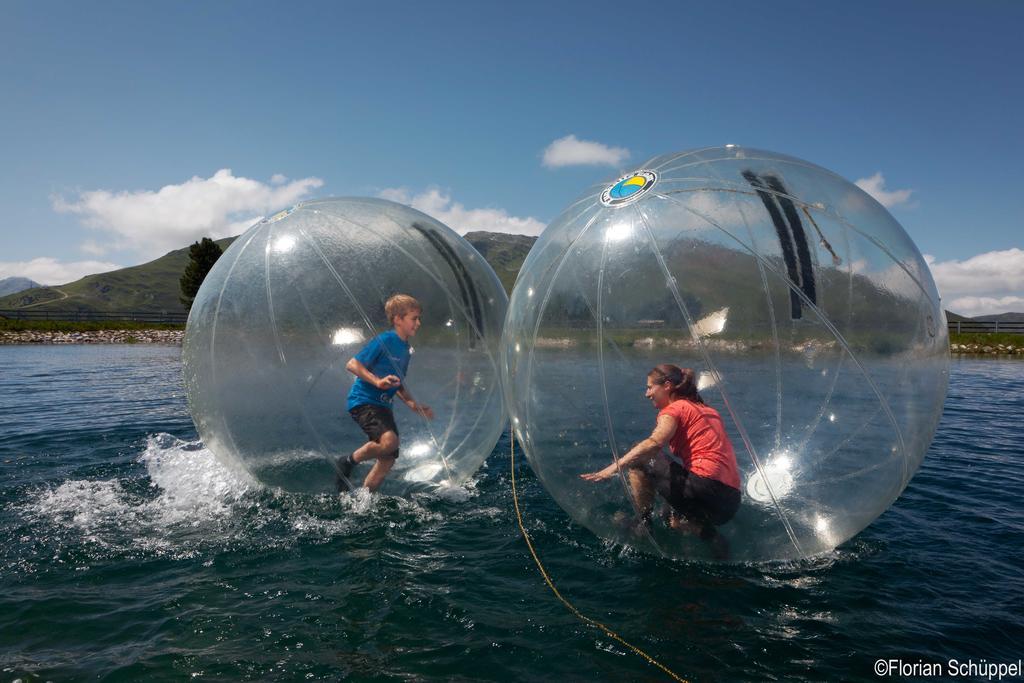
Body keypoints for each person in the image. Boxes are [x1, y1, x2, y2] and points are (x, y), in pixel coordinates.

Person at [580, 364, 741, 557]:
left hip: (703, 489)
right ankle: (710, 536)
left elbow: (655, 443)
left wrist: (611, 469)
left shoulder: (675, 409)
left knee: (640, 455)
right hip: (729, 502)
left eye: (649, 387)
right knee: (670, 516)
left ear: (667, 386)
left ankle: (642, 523)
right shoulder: (707, 411)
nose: (647, 394)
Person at [336, 294, 434, 492]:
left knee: (387, 460)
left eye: (418, 318)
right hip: (364, 401)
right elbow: (352, 364)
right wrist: (377, 381)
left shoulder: (406, 349)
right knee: (389, 441)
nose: (418, 323)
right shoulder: (385, 340)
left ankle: (364, 500)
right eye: (414, 318)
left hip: (383, 405)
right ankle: (346, 462)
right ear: (398, 319)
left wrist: (412, 403)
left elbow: (398, 382)